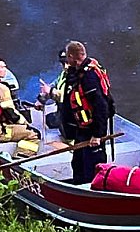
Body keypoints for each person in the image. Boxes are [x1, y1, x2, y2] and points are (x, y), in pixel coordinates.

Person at [40, 41, 115, 184]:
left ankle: (93, 192)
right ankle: (79, 184)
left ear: (71, 56)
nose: (66, 62)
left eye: (67, 58)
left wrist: (98, 135)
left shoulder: (89, 77)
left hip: (91, 130)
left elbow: (101, 107)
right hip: (80, 129)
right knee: (78, 163)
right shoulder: (76, 72)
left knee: (92, 166)